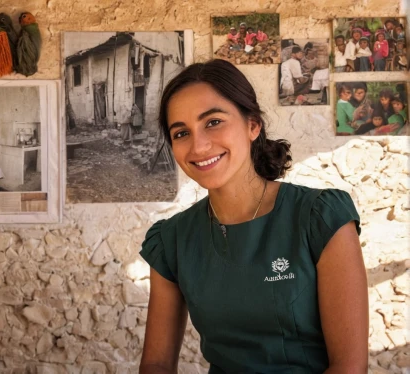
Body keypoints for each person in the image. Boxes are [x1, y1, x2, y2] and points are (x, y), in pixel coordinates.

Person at [139, 59, 368, 373]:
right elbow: (156, 363)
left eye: (213, 122)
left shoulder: (320, 218)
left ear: (252, 125)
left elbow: (349, 367)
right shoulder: (171, 241)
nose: (199, 145)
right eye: (181, 133)